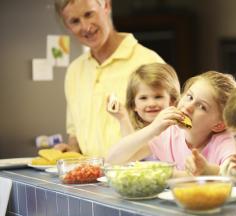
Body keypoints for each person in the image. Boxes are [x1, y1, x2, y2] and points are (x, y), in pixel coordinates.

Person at [53, 0, 164, 157]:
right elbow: (74, 133)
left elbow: (169, 128)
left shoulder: (148, 61)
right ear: (67, 26)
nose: (85, 27)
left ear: (106, 6)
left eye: (89, 14)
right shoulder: (74, 71)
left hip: (138, 175)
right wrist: (71, 150)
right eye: (75, 21)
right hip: (90, 176)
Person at [106, 71, 236, 176]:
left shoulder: (226, 141)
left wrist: (207, 170)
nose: (188, 107)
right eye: (190, 97)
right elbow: (113, 160)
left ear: (219, 125)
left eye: (202, 107)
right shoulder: (169, 134)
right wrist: (153, 128)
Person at [107, 63, 180, 137]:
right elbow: (132, 147)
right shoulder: (131, 131)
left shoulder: (178, 131)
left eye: (158, 97)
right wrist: (123, 118)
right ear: (133, 105)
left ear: (172, 101)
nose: (151, 104)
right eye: (143, 98)